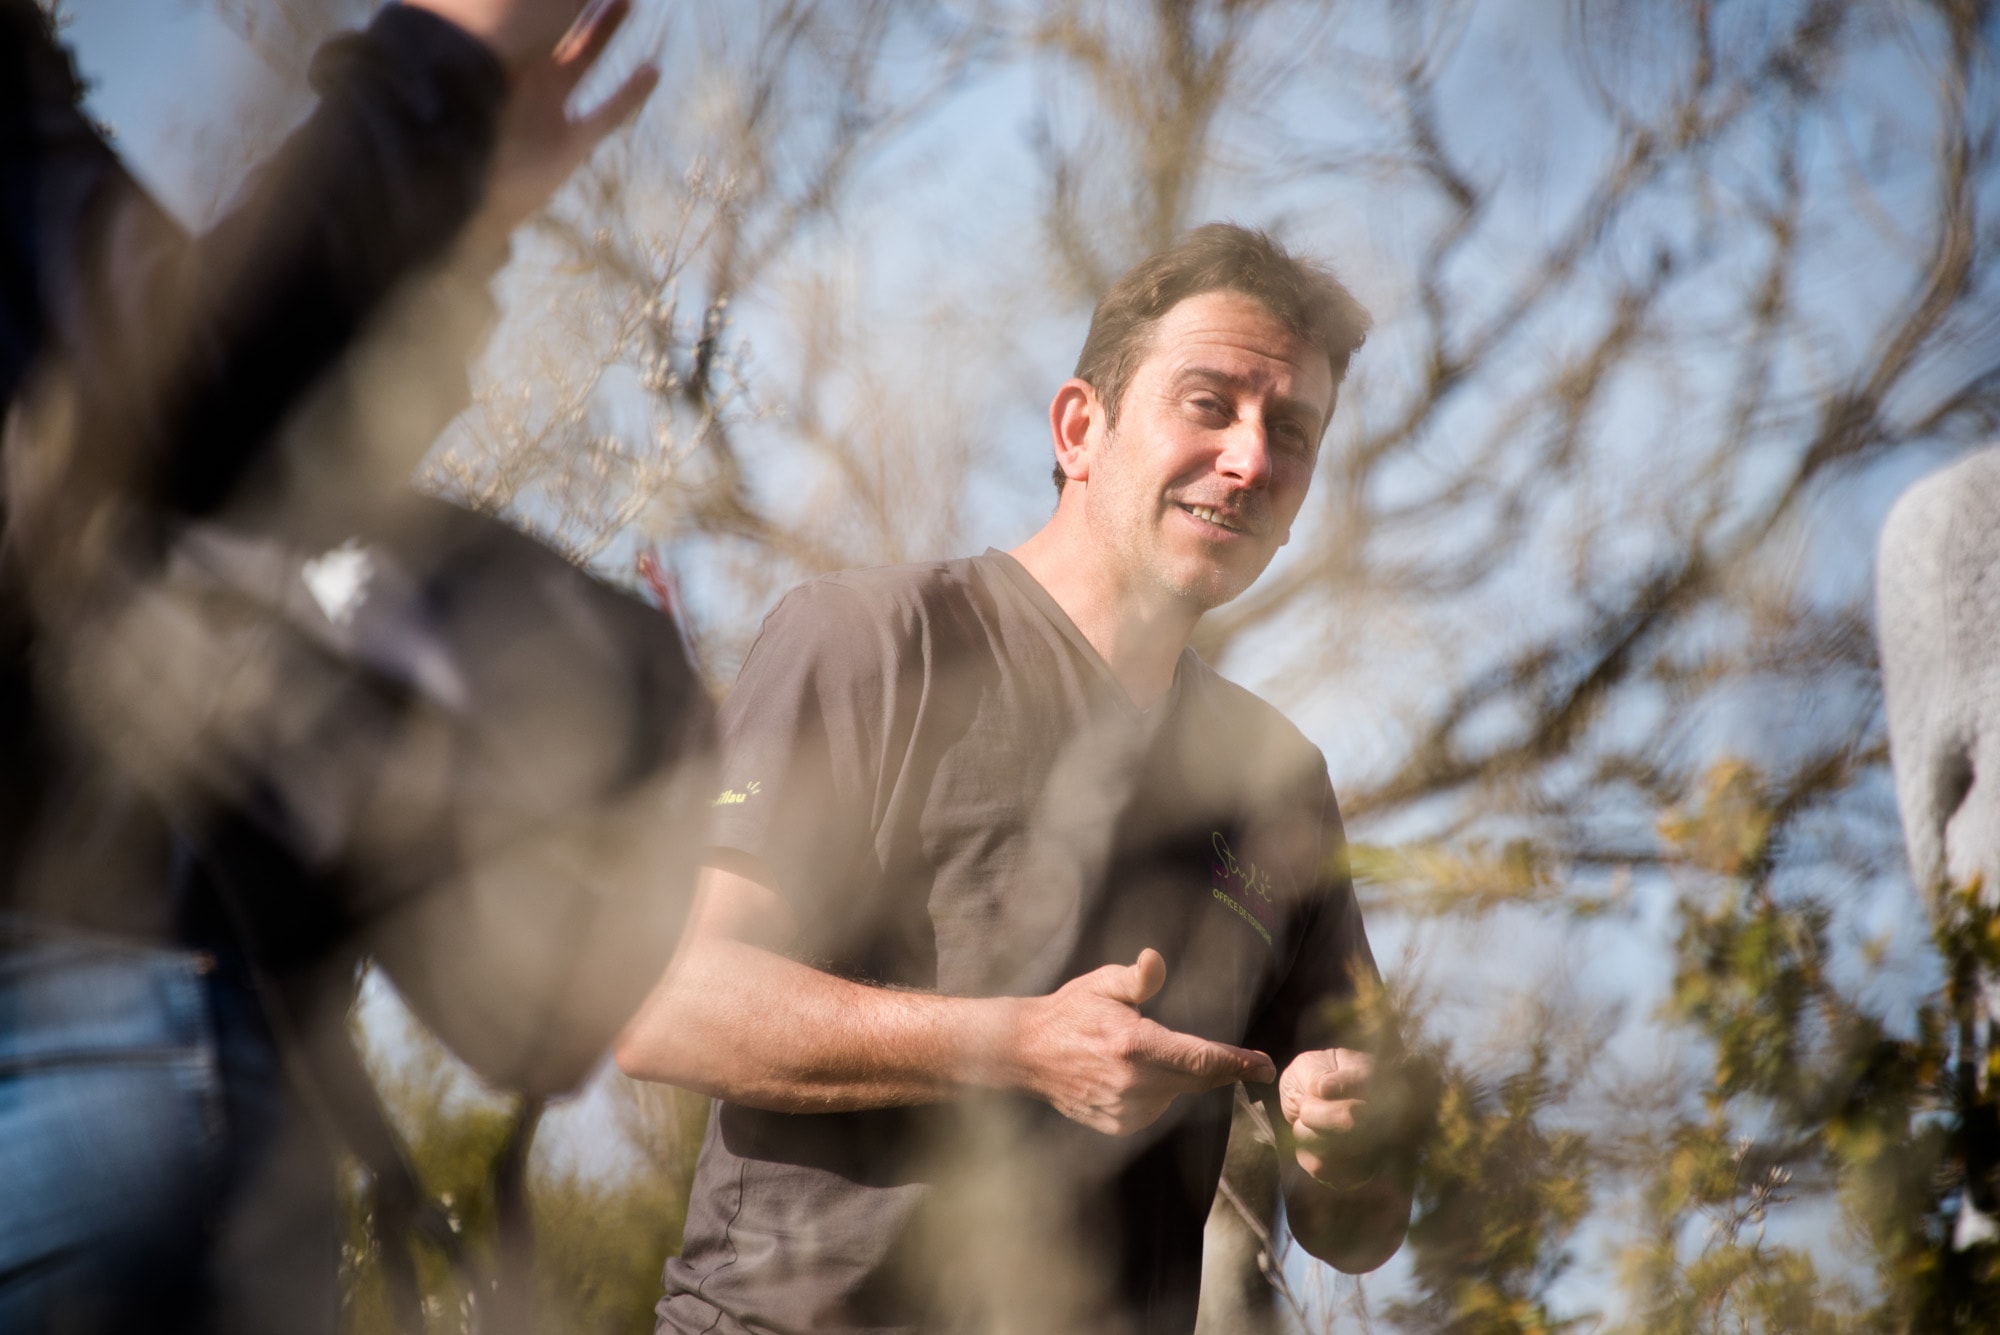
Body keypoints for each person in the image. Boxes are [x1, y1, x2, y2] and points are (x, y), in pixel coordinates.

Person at [616, 223, 1416, 1334]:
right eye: (1208, 404)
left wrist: (1348, 1144)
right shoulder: (870, 641)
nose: (1251, 459)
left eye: (1292, 429)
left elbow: (1357, 1227)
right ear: (1080, 428)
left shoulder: (1278, 782)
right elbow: (664, 1002)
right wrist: (1014, 1045)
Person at [0, 3, 656, 1330]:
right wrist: (440, 64)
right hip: (74, 1030)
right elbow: (174, 410)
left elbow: (129, 499)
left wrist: (454, 241)